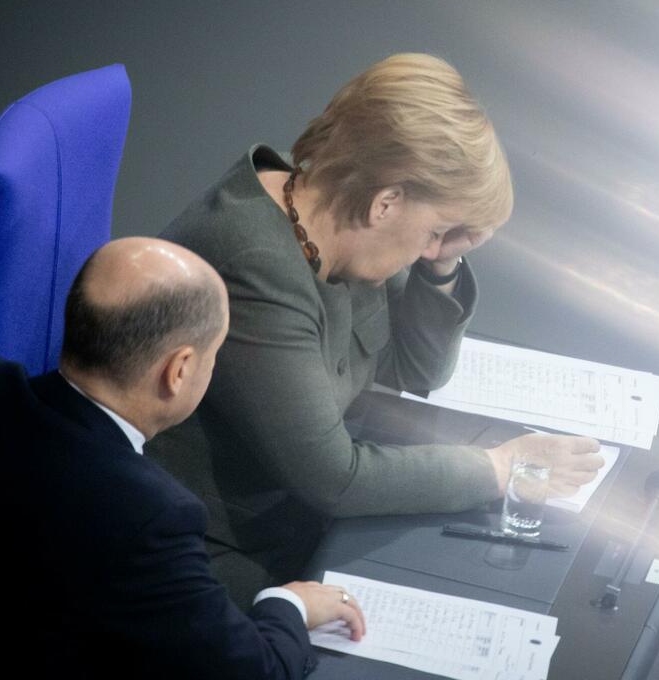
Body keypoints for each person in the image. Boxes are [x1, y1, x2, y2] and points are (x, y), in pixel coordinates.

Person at [149, 53, 604, 609]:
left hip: (296, 511)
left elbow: (417, 370)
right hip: (218, 545)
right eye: (435, 230)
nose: (430, 247)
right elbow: (335, 479)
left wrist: (441, 263)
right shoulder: (254, 265)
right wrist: (500, 469)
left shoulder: (333, 204)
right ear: (387, 203)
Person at [0, 237, 365, 678]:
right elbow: (252, 671)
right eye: (215, 353)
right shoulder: (148, 515)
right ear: (179, 370)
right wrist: (290, 605)